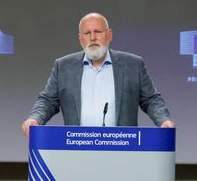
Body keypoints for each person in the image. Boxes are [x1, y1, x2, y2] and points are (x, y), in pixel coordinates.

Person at [22, 12, 174, 136]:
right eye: (87, 33)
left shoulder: (133, 65)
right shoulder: (63, 66)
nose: (92, 37)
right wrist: (35, 119)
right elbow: (48, 101)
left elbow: (151, 99)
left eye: (97, 32)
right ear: (80, 39)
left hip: (123, 150)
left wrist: (164, 121)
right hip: (77, 149)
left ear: (109, 35)